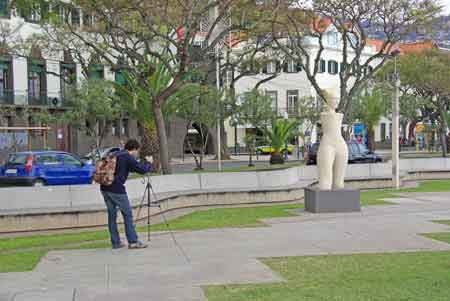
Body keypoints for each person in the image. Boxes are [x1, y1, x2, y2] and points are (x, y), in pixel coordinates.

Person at [101, 138, 153, 249]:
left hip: (104, 187)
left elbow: (130, 168)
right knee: (128, 214)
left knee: (112, 216)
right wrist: (149, 163)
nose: (137, 154)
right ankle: (133, 241)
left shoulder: (115, 153)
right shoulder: (128, 157)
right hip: (117, 189)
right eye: (137, 151)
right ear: (134, 149)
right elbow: (142, 169)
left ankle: (116, 242)